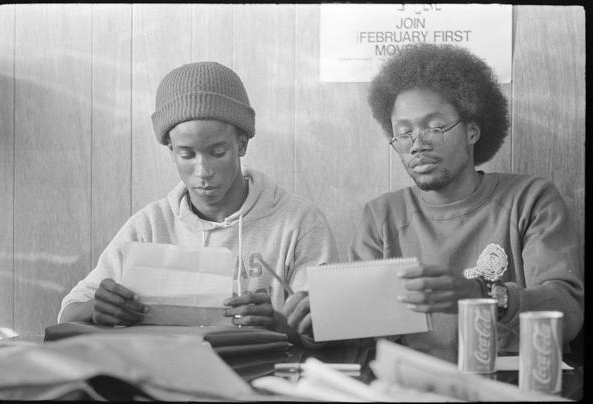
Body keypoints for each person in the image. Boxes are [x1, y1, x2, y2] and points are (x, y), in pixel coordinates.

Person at [58, 62, 338, 344]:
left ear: (241, 145)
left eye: (218, 152)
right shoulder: (149, 227)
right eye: (187, 154)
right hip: (170, 370)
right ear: (171, 151)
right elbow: (68, 312)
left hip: (270, 370)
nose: (203, 171)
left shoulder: (299, 222)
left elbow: (333, 328)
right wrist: (96, 309)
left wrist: (281, 326)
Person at [350, 43, 583, 354]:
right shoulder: (381, 216)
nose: (417, 144)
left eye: (434, 127)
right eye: (404, 133)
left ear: (472, 131)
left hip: (508, 378)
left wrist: (484, 295)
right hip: (410, 379)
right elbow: (362, 328)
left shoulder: (530, 200)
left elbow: (567, 314)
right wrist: (317, 326)